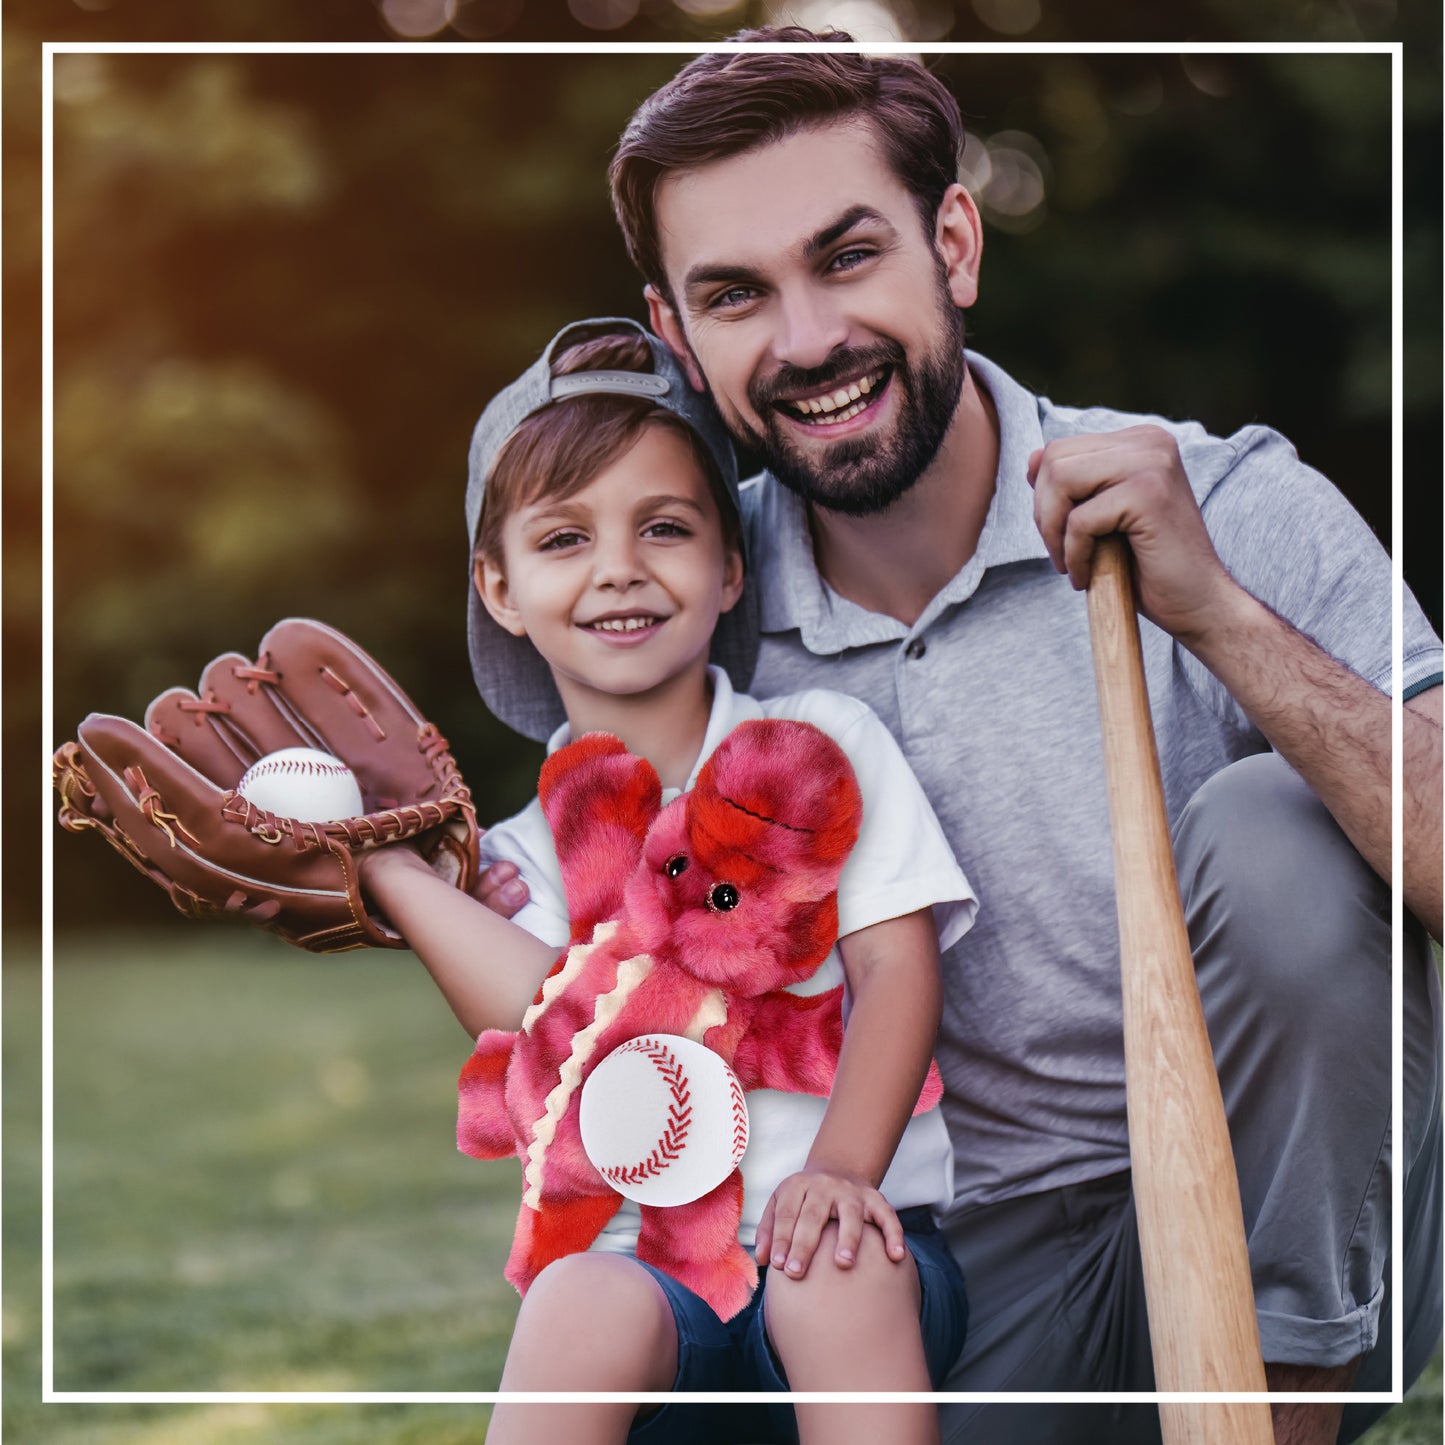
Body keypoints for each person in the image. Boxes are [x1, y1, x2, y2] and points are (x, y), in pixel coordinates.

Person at [476, 30, 1443, 1445]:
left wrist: (1218, 613)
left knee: (1274, 833)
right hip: (965, 1269)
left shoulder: (1222, 502)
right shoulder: (689, 587)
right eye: (735, 295)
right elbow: (574, 893)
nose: (805, 339)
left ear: (955, 242)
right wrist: (369, 869)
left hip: (1292, 1221)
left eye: (847, 255)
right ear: (675, 335)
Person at [361, 317, 975, 1445]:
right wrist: (385, 869)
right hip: (651, 1284)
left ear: (729, 563)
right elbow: (561, 1020)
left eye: (664, 527)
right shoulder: (512, 855)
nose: (617, 569)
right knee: (574, 1298)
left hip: (852, 1252)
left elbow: (895, 967)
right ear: (497, 586)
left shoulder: (813, 745)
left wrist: (838, 1171)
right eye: (562, 539)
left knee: (830, 1266)